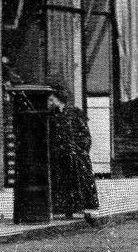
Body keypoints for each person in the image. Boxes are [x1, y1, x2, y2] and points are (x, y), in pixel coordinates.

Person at [46, 84, 99, 217]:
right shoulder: (51, 116)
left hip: (76, 154)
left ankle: (80, 207)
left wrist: (81, 150)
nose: (49, 103)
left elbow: (85, 134)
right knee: (62, 182)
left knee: (79, 181)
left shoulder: (75, 113)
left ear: (59, 100)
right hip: (59, 155)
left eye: (52, 100)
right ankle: (64, 209)